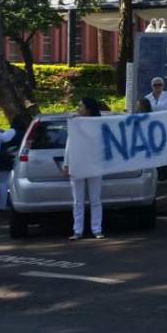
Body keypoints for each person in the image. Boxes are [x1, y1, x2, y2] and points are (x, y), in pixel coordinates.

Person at [64, 97, 105, 240]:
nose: (78, 109)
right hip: (77, 164)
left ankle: (97, 229)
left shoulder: (98, 124)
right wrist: (66, 163)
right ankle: (77, 230)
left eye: (81, 106)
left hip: (94, 164)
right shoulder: (75, 123)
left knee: (95, 199)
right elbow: (69, 145)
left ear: (88, 109)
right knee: (78, 201)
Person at [0, 115, 28, 211]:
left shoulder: (13, 131)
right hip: (17, 160)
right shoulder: (23, 133)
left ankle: (1, 205)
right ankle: (16, 203)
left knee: (2, 183)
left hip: (6, 159)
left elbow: (4, 138)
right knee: (14, 182)